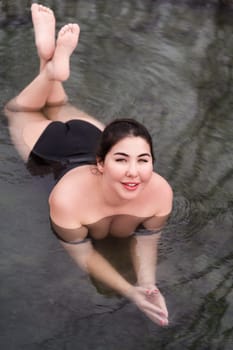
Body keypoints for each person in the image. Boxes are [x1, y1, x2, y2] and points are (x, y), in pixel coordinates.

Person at [5, 3, 173, 326]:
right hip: (54, 150)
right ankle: (51, 68)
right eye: (123, 160)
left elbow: (148, 242)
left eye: (144, 160)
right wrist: (129, 289)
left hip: (99, 137)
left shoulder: (160, 191)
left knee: (58, 102)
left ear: (152, 161)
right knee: (16, 111)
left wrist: (148, 285)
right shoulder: (66, 201)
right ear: (102, 162)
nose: (134, 171)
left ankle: (50, 62)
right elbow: (85, 257)